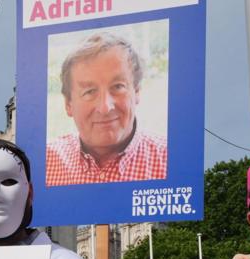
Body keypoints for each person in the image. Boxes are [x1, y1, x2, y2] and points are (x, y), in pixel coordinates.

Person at [45, 32, 167, 186]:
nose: (105, 107)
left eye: (118, 87)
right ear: (68, 104)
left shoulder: (171, 160)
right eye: (89, 91)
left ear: (136, 92)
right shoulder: (43, 162)